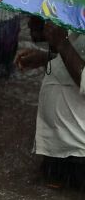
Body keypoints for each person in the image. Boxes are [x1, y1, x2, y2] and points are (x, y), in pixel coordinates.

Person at [15, 21, 85, 189]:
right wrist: (46, 58)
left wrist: (62, 43)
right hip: (61, 145)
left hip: (78, 153)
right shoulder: (79, 15)